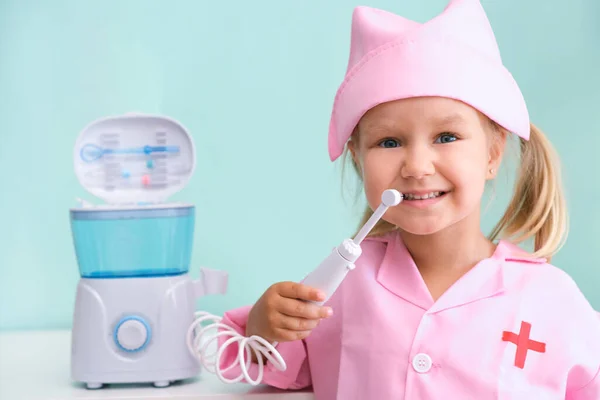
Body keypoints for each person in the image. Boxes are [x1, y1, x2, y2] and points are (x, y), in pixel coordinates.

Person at [215, 0, 600, 398]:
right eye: (389, 142)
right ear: (359, 158)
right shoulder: (343, 286)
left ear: (492, 153)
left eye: (446, 137)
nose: (417, 166)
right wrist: (264, 324)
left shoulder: (550, 299)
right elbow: (274, 366)